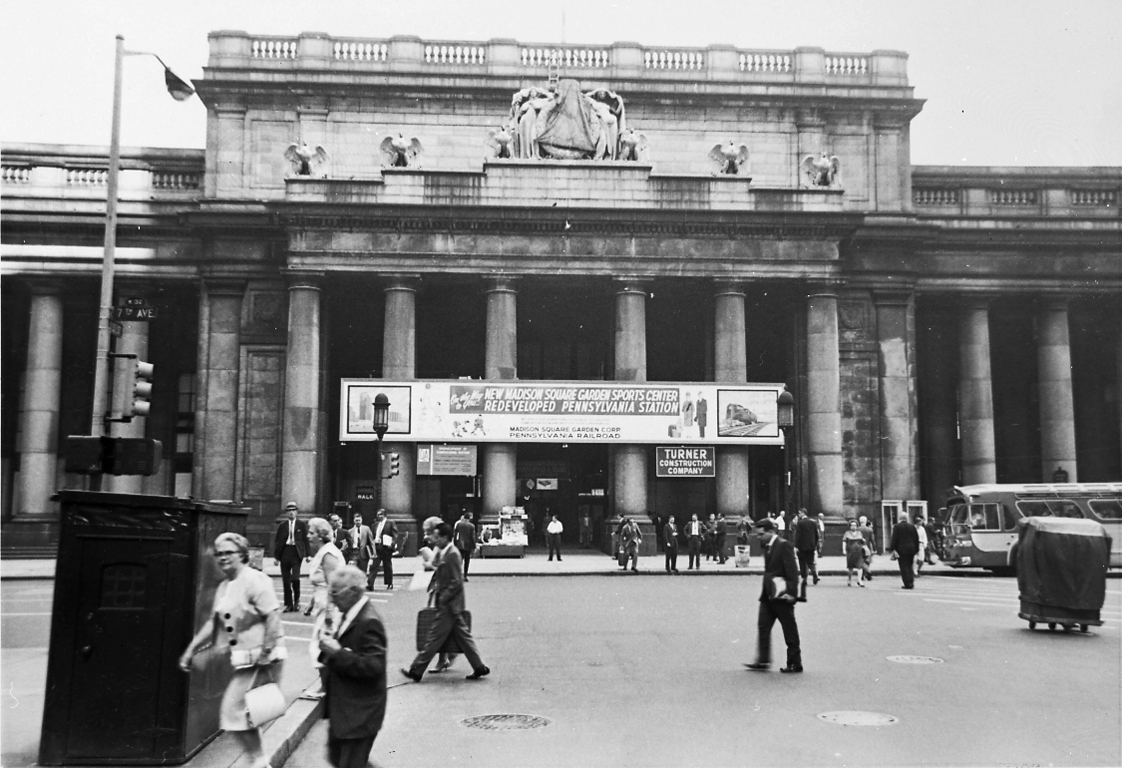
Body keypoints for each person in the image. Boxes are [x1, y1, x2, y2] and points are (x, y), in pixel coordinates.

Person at [180, 533, 285, 768]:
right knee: (246, 714)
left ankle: (259, 761)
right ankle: (259, 761)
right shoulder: (225, 585)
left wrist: (266, 655)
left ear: (242, 554)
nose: (222, 558)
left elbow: (272, 616)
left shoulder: (255, 580)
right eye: (219, 553)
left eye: (228, 553)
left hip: (261, 658)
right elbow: (213, 623)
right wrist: (191, 649)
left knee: (233, 711)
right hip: (245, 659)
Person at [402, 523, 490, 682]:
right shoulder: (446, 552)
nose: (434, 540)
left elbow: (457, 581)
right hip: (452, 604)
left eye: (436, 536)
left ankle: (416, 669)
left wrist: (443, 597)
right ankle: (479, 666)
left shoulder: (453, 554)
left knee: (433, 638)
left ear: (444, 537)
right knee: (464, 638)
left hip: (449, 604)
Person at [318, 566, 387, 768]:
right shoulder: (351, 612)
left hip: (359, 712)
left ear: (354, 592)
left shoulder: (369, 621)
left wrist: (337, 653)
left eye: (335, 593)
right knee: (338, 759)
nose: (331, 599)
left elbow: (374, 666)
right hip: (347, 709)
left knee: (349, 763)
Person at [743, 518, 802, 674]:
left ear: (771, 532)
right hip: (768, 595)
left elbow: (792, 571)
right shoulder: (768, 546)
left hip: (782, 595)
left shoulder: (784, 545)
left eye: (761, 534)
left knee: (789, 628)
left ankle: (795, 662)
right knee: (763, 626)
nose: (758, 537)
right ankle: (763, 660)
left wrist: (792, 594)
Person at [305, 517, 344, 691]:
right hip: (323, 605)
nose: (308, 536)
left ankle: (326, 687)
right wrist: (311, 602)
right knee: (323, 643)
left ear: (321, 535)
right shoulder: (323, 551)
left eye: (311, 533)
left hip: (329, 607)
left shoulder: (328, 553)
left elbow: (332, 584)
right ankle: (327, 685)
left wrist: (329, 611)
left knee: (321, 644)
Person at [419, 516, 458, 673]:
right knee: (449, 627)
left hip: (444, 592)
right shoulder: (439, 547)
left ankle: (442, 658)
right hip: (440, 591)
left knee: (438, 628)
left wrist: (428, 562)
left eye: (429, 532)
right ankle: (449, 655)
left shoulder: (444, 548)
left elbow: (441, 568)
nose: (426, 536)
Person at [273, 501, 308, 612]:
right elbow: (278, 542)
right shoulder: (282, 526)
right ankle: (288, 604)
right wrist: (276, 557)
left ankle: (297, 601)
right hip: (285, 552)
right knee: (286, 580)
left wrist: (308, 555)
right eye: (289, 511)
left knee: (295, 578)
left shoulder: (301, 525)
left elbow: (306, 540)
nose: (291, 513)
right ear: (287, 513)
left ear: (297, 512)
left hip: (296, 553)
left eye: (293, 510)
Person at [888, 511, 921, 589]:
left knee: (903, 566)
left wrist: (892, 548)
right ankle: (911, 581)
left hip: (901, 549)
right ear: (907, 518)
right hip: (911, 549)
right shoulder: (912, 526)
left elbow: (894, 538)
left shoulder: (897, 527)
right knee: (910, 566)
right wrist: (916, 549)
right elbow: (916, 538)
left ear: (900, 518)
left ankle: (907, 583)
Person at [792, 508, 820, 600]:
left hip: (802, 546)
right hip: (811, 546)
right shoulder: (813, 522)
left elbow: (798, 535)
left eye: (799, 513)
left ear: (803, 513)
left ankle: (804, 578)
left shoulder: (800, 523)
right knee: (810, 561)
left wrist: (795, 546)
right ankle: (815, 574)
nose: (798, 514)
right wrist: (815, 544)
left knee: (802, 562)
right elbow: (816, 535)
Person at [369, 509, 397, 590]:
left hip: (386, 548)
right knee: (374, 566)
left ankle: (389, 583)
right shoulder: (375, 525)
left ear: (384, 515)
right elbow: (372, 535)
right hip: (377, 547)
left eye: (380, 514)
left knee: (387, 566)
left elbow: (395, 535)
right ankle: (370, 584)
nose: (378, 516)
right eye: (377, 515)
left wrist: (392, 545)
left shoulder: (390, 523)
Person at [346, 513, 375, 581]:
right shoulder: (350, 531)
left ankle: (362, 583)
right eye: (356, 520)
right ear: (354, 521)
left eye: (359, 520)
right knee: (354, 569)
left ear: (361, 520)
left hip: (363, 552)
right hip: (354, 552)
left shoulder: (366, 529)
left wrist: (374, 552)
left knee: (363, 570)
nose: (358, 522)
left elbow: (371, 541)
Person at [842, 519, 867, 587]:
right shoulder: (847, 533)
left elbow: (862, 541)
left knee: (860, 567)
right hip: (850, 552)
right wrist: (844, 550)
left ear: (857, 526)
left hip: (859, 552)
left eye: (855, 525)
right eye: (852, 525)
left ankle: (859, 580)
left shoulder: (859, 533)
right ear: (850, 526)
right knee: (850, 567)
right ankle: (849, 579)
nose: (853, 527)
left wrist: (863, 540)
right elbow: (844, 542)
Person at [453, 511, 477, 579]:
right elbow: (472, 537)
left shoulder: (459, 524)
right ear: (470, 518)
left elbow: (455, 535)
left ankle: (458, 575)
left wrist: (455, 543)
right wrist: (474, 546)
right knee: (467, 560)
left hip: (459, 544)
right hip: (468, 545)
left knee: (459, 560)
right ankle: (465, 575)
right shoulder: (471, 526)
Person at [857, 515, 876, 582]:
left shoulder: (857, 529)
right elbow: (872, 540)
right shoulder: (869, 530)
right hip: (867, 547)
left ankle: (862, 575)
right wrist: (874, 548)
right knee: (867, 561)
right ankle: (867, 572)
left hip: (859, 547)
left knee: (860, 561)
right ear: (865, 521)